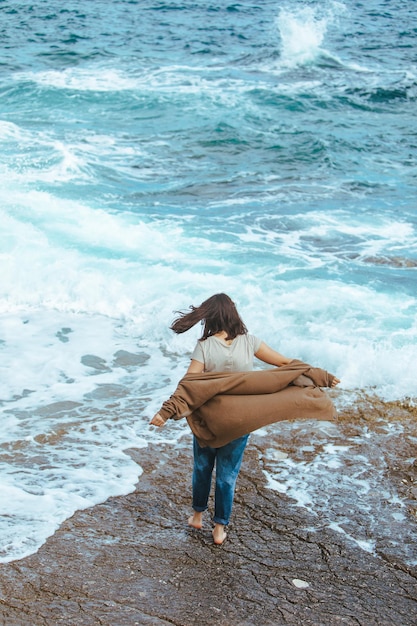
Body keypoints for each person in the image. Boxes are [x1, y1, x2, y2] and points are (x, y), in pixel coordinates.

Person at [150, 293, 339, 545]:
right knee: (227, 474)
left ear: (211, 317)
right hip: (240, 420)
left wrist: (167, 411)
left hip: (209, 420)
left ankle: (197, 516)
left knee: (202, 467)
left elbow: (189, 384)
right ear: (233, 313)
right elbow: (285, 364)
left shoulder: (205, 346)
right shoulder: (250, 342)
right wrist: (319, 375)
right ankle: (219, 529)